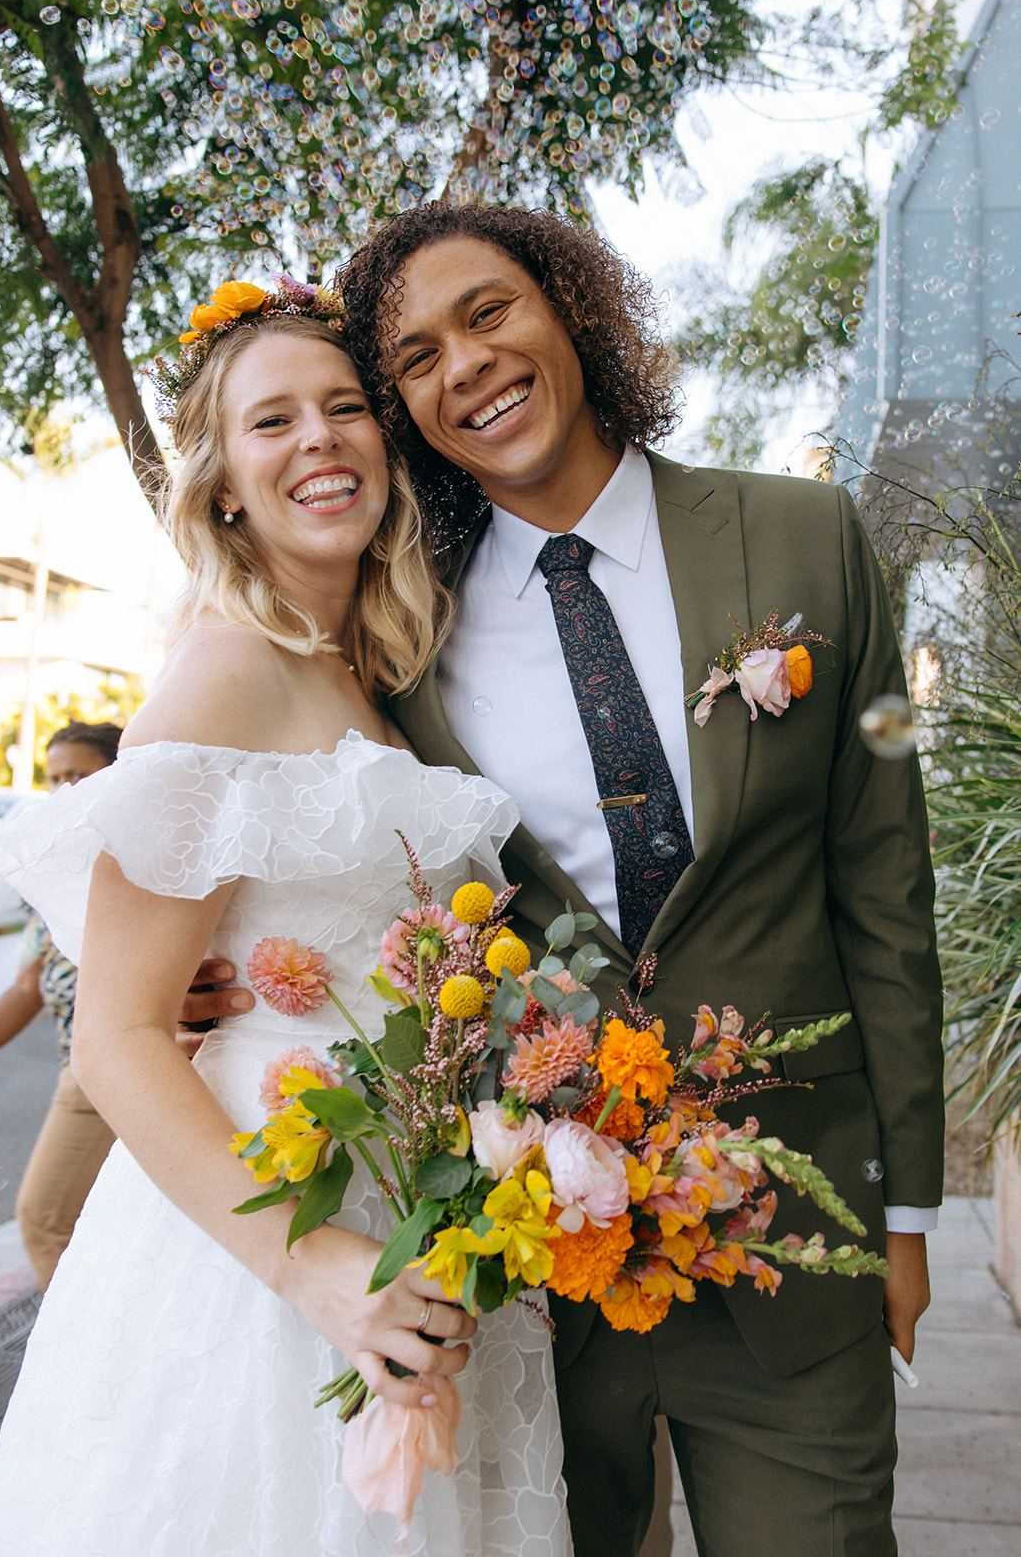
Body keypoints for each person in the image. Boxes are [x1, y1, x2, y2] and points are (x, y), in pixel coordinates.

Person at [324, 203, 943, 1557]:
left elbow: (883, 894)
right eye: (415, 356)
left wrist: (902, 1217)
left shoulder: (800, 537)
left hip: (791, 1230)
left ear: (570, 309)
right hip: (543, 1265)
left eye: (487, 312)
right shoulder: (398, 627)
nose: (465, 366)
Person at [0, 282, 572, 1557]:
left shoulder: (380, 670)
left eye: (346, 408)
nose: (320, 440)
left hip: (420, 1205)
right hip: (270, 1235)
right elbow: (118, 1036)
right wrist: (313, 1272)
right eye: (273, 420)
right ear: (223, 482)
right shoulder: (222, 668)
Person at [0, 722, 121, 1288]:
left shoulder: (139, 860)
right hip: (86, 1067)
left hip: (115, 1065)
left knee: (46, 1216)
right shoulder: (59, 869)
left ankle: (85, 1360)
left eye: (78, 773)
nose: (63, 790)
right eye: (54, 778)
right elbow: (27, 989)